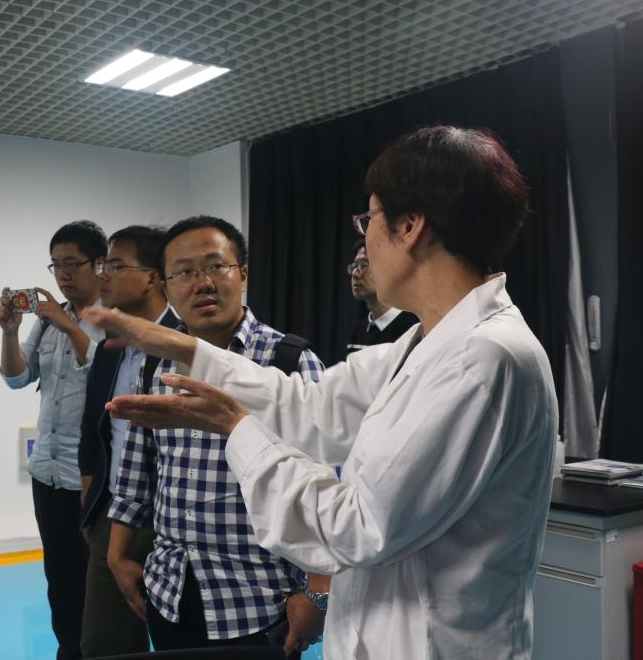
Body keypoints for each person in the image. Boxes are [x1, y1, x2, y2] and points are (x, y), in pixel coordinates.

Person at [89, 127, 559, 660]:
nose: (365, 242)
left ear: (410, 227)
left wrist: (235, 428)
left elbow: (359, 527)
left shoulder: (483, 358)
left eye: (369, 219)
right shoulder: (426, 342)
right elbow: (314, 407)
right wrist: (181, 346)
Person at [105, 216, 330, 656]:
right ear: (165, 287)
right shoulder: (155, 363)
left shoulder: (289, 361)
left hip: (258, 596)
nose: (202, 283)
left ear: (242, 274)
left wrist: (319, 590)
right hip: (169, 589)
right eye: (184, 272)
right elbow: (138, 465)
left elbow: (325, 484)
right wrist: (117, 555)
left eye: (215, 266)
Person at [0, 220, 107, 660]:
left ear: (99, 265)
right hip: (48, 474)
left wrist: (68, 324)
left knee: (98, 582)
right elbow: (16, 377)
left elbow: (102, 376)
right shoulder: (45, 323)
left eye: (72, 264)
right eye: (56, 265)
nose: (62, 274)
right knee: (60, 579)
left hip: (94, 479)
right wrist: (9, 332)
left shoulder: (115, 318)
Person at [78, 225, 176, 658]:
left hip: (176, 519)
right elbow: (92, 432)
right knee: (105, 643)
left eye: (116, 267)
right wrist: (92, 507)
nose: (104, 277)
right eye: (103, 266)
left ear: (153, 277)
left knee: (179, 640)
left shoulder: (187, 343)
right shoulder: (109, 350)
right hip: (116, 515)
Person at [345, 240, 418, 356]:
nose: (355, 274)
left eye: (364, 265)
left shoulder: (413, 329)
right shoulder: (357, 332)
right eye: (354, 266)